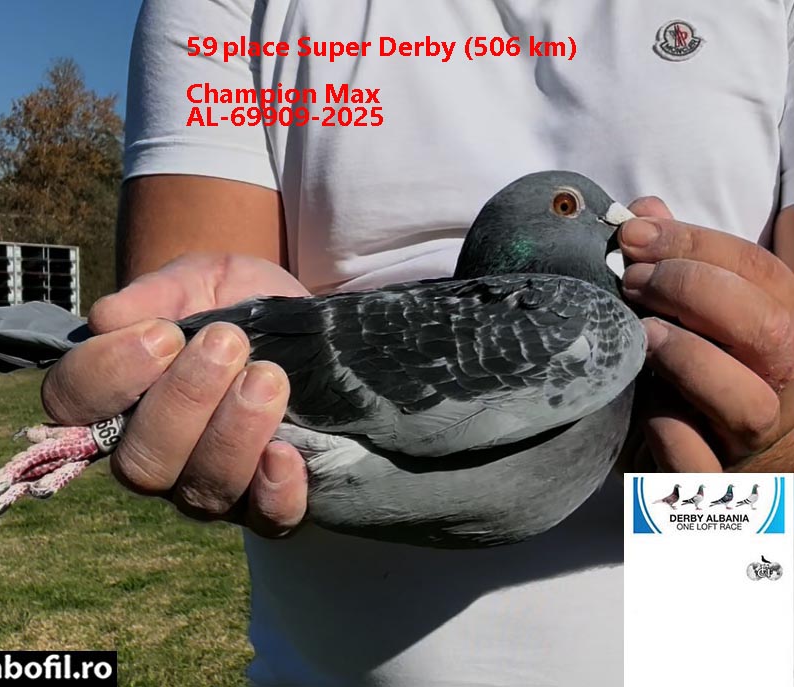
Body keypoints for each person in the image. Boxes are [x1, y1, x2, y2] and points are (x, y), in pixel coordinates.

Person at [41, 1, 794, 684]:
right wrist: (181, 369)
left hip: (717, 647)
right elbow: (190, 377)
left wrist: (772, 442)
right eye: (575, 208)